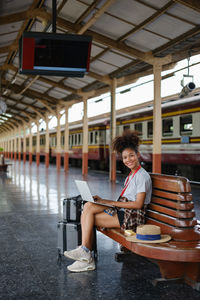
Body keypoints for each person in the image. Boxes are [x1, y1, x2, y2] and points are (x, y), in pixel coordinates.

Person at [64, 130, 152, 272]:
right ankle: (85, 252)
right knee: (89, 206)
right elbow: (126, 200)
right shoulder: (131, 175)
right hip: (124, 212)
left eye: (131, 156)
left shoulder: (142, 176)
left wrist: (109, 202)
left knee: (89, 215)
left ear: (138, 155)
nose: (128, 159)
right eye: (124, 157)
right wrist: (104, 201)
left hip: (133, 217)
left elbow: (138, 204)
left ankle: (85, 255)